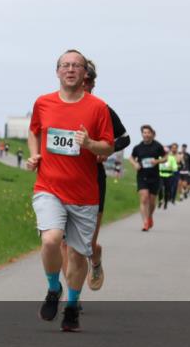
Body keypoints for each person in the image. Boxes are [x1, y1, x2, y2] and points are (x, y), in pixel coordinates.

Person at [27, 49, 114, 332]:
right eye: (65, 65)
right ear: (57, 71)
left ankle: (73, 305)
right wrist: (34, 155)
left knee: (77, 255)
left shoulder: (98, 108)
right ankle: (54, 289)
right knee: (52, 240)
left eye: (77, 66)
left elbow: (109, 146)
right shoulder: (43, 102)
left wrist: (90, 144)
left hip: (84, 194)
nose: (71, 69)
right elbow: (34, 131)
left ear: (85, 73)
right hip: (49, 186)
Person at [64, 60, 130, 292]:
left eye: (89, 80)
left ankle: (96, 256)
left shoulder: (102, 109)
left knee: (84, 244)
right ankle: (72, 295)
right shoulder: (60, 105)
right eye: (82, 80)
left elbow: (124, 138)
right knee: (65, 243)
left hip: (92, 179)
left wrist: (105, 149)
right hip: (63, 179)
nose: (85, 84)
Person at [130, 126, 167, 230]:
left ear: (152, 134)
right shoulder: (138, 147)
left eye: (148, 132)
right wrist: (135, 164)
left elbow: (165, 157)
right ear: (142, 134)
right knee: (144, 198)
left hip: (154, 177)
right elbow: (131, 157)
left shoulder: (157, 146)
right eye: (144, 132)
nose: (146, 134)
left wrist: (157, 161)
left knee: (151, 201)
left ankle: (150, 216)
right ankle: (145, 222)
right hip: (142, 176)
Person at [158, 143, 179, 209]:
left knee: (167, 190)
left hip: (169, 176)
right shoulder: (159, 157)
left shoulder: (171, 158)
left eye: (166, 152)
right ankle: (160, 200)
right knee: (160, 188)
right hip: (160, 175)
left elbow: (175, 167)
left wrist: (173, 168)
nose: (165, 153)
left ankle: (166, 202)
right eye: (164, 152)